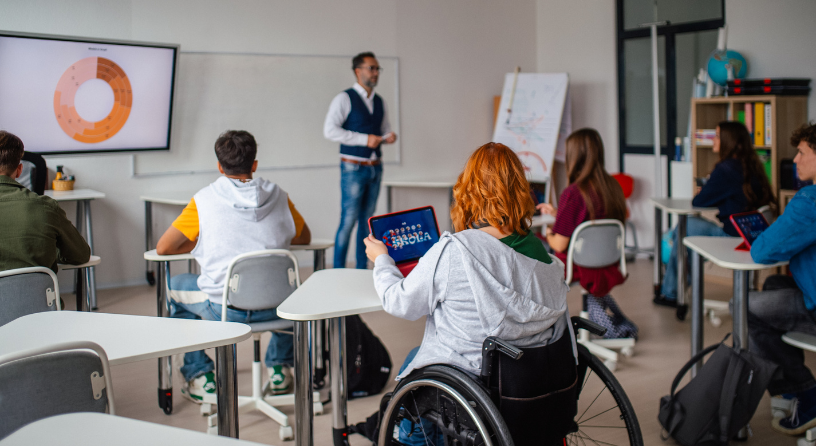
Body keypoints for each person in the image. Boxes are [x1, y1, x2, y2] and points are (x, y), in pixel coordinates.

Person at [364, 142, 572, 445]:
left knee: (413, 366)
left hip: (478, 383)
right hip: (535, 378)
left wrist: (382, 260)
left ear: (469, 190)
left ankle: (413, 436)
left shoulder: (456, 251)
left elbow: (400, 302)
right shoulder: (540, 251)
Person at [155, 130, 311, 402]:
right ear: (254, 165)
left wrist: (200, 243)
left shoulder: (203, 201)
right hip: (279, 308)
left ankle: (199, 374)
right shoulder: (279, 196)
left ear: (219, 166)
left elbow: (164, 248)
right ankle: (280, 367)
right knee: (291, 287)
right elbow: (304, 237)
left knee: (174, 288)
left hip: (226, 309)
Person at [656, 121, 775, 306]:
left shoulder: (726, 169)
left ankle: (672, 292)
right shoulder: (752, 166)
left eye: (717, 136)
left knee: (686, 225)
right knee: (689, 230)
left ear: (729, 141)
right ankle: (676, 286)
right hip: (752, 235)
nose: (713, 140)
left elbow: (699, 202)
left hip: (733, 237)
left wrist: (706, 191)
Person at [747, 123, 816, 436]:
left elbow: (762, 251)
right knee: (774, 286)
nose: (796, 160)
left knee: (744, 307)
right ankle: (789, 387)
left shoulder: (809, 201)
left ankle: (803, 390)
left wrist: (773, 233)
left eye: (802, 153)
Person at [538, 128, 637, 339]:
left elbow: (559, 245)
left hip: (580, 266)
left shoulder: (573, 193)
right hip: (608, 264)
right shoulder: (613, 187)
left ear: (575, 156)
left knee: (540, 248)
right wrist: (559, 214)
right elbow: (594, 221)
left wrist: (547, 233)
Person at [324, 51, 397, 269]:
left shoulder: (379, 101)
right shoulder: (344, 98)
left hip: (375, 167)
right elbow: (330, 131)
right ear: (358, 71)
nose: (375, 73)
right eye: (371, 68)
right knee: (348, 221)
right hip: (353, 167)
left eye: (377, 69)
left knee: (366, 222)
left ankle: (360, 269)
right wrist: (365, 140)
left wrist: (388, 136)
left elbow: (383, 130)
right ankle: (337, 271)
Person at [0, 130, 90, 273]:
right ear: (19, 170)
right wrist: (47, 250)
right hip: (39, 295)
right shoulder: (46, 207)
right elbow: (81, 255)